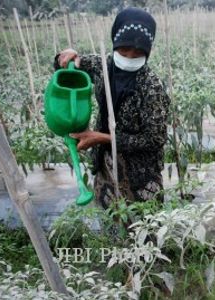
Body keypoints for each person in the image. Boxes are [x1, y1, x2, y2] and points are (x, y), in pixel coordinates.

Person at [53, 7, 170, 209]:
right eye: (124, 50)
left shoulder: (152, 87)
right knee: (111, 219)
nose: (130, 57)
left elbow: (155, 138)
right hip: (105, 162)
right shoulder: (102, 66)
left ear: (147, 51)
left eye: (138, 52)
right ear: (115, 43)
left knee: (143, 227)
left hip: (140, 172)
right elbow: (64, 68)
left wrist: (103, 138)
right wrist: (65, 57)